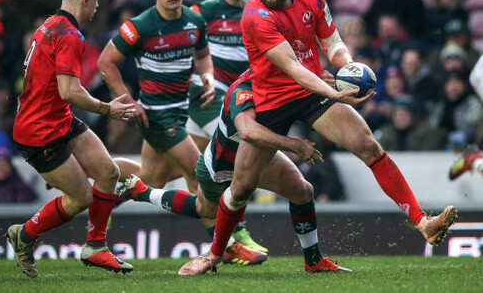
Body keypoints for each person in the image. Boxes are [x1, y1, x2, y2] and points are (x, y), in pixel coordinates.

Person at [191, 0, 456, 273]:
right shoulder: (254, 15)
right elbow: (294, 69)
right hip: (270, 100)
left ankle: (422, 221)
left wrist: (349, 69)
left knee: (367, 143)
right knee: (241, 187)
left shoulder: (313, 1)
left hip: (310, 92)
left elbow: (333, 44)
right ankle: (214, 253)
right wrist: (338, 93)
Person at [121, 70, 345, 274]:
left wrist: (323, 84)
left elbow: (297, 92)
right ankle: (143, 192)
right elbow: (248, 132)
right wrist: (295, 145)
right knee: (203, 209)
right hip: (221, 166)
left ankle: (314, 260)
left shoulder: (281, 77)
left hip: (259, 154)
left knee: (302, 190)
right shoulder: (243, 89)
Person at [7, 0, 136, 279]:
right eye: (98, 0)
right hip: (38, 132)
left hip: (57, 120)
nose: (98, 7)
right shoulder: (70, 35)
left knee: (109, 172)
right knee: (81, 198)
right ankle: (24, 234)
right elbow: (69, 91)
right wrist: (108, 109)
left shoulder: (49, 25)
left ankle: (96, 247)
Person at [97, 0, 214, 194]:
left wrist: (207, 77)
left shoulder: (195, 21)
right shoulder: (140, 26)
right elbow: (105, 63)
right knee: (198, 174)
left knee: (151, 180)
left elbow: (202, 56)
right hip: (156, 116)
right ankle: (219, 231)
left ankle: (91, 177)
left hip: (182, 111)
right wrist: (128, 101)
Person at [187, 0, 264, 252]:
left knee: (154, 175)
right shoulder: (203, 12)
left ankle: (119, 189)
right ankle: (239, 231)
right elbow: (180, 38)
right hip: (209, 95)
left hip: (243, 93)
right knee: (238, 153)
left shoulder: (256, 11)